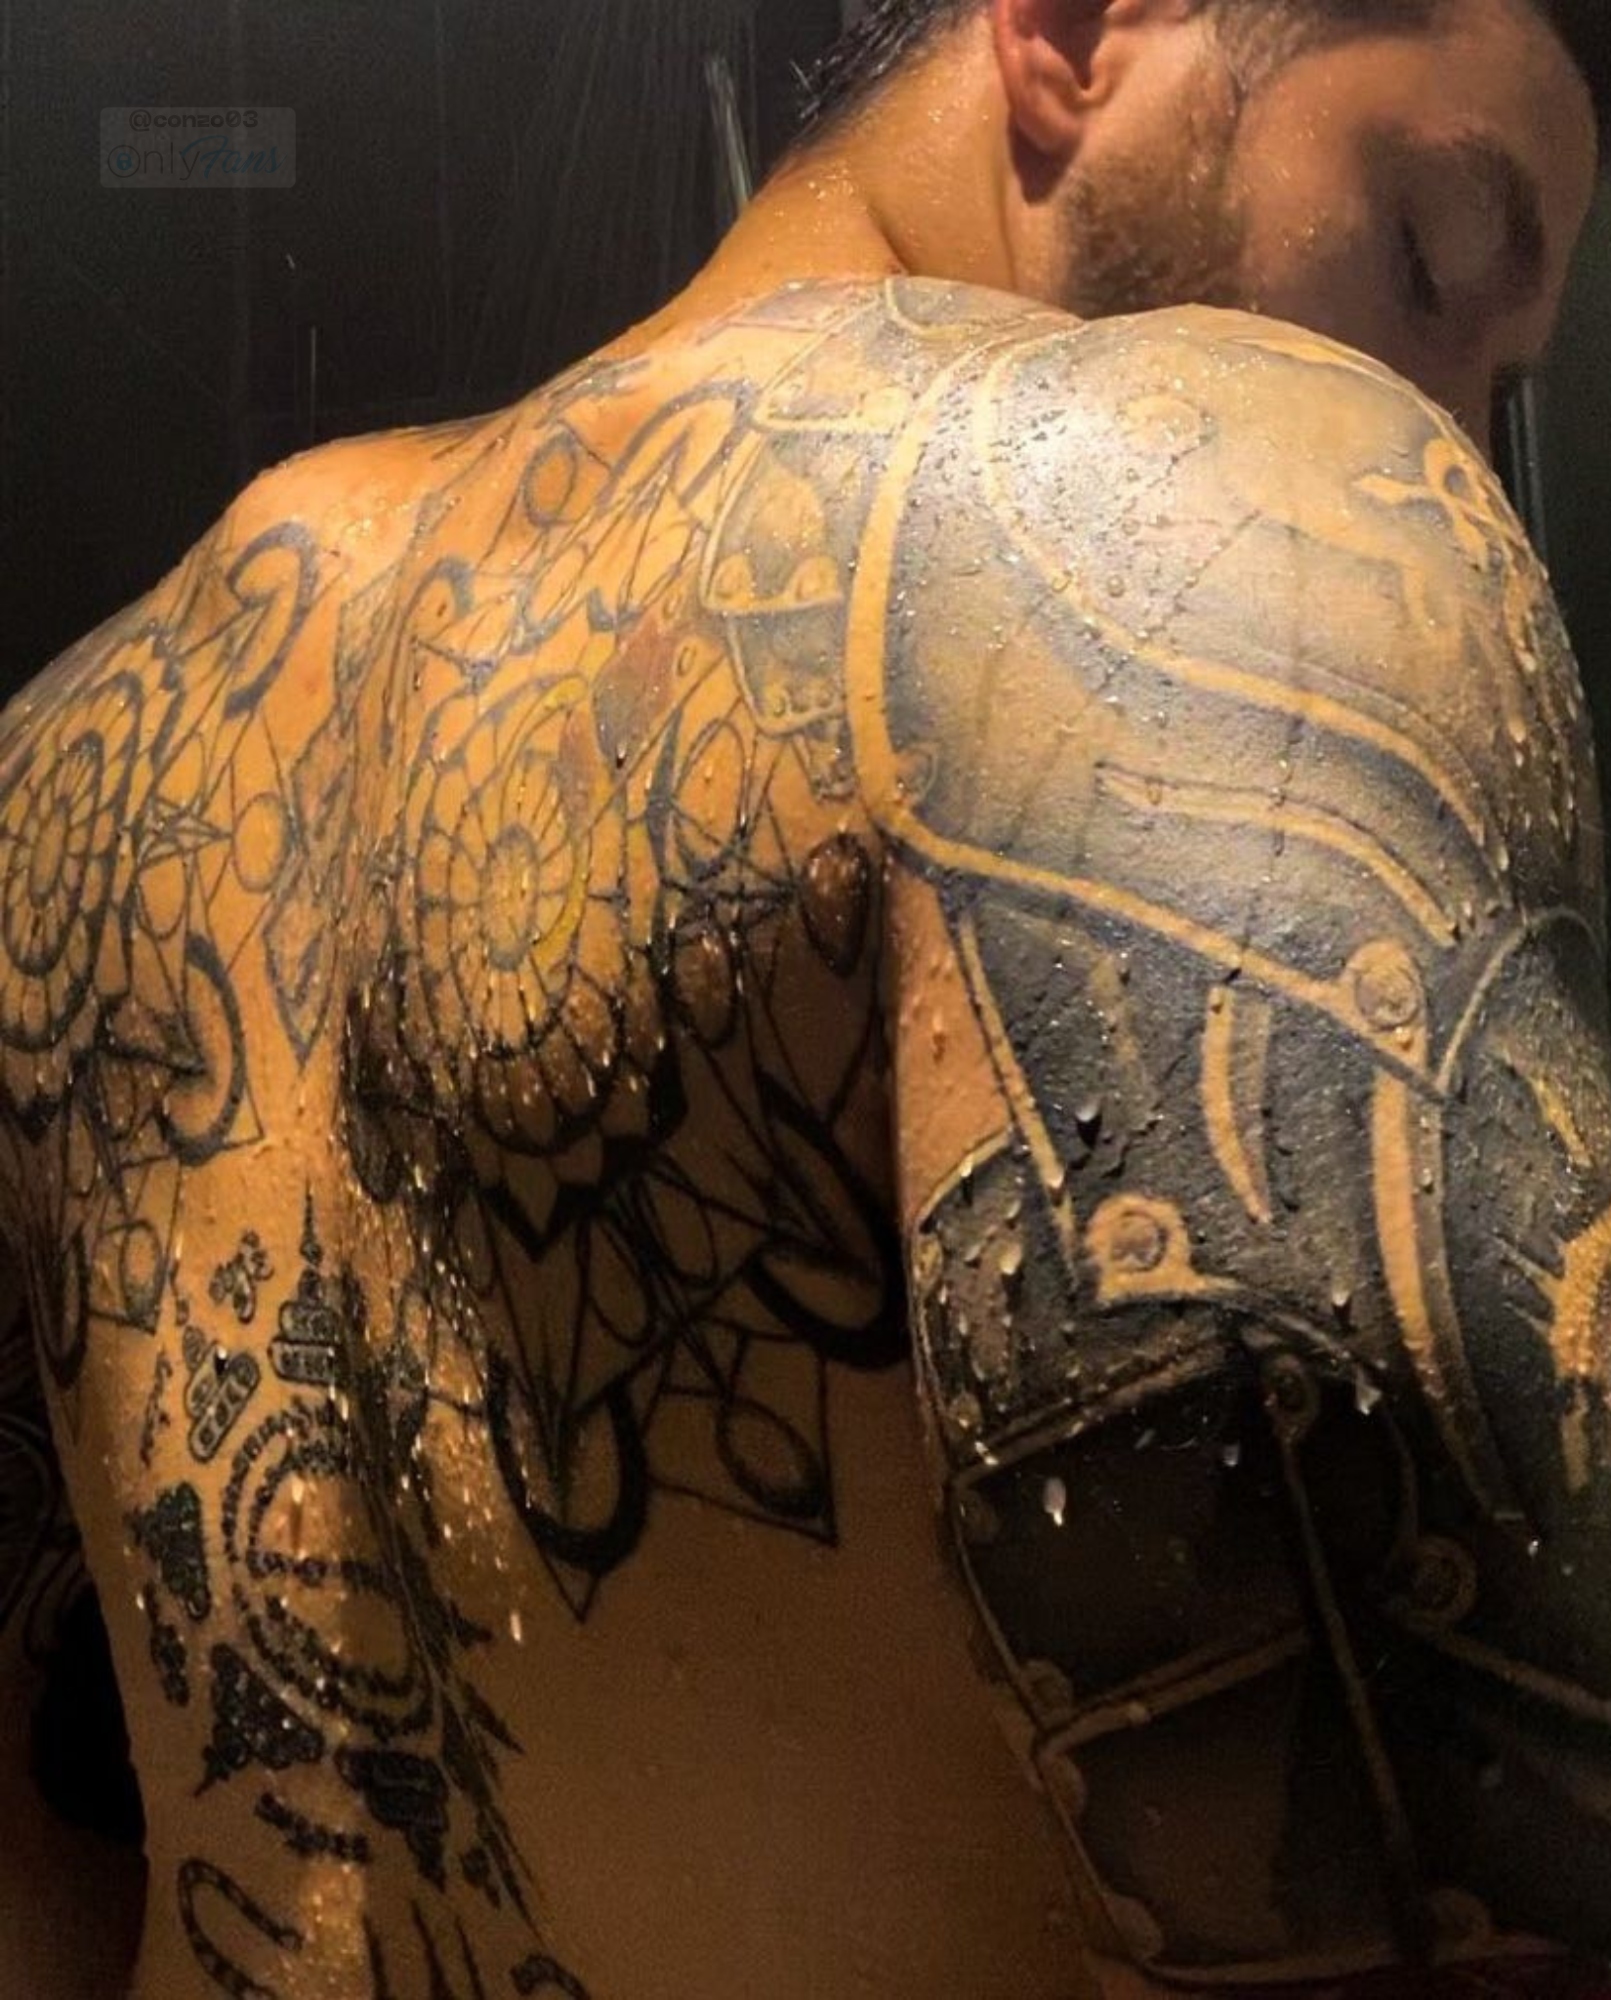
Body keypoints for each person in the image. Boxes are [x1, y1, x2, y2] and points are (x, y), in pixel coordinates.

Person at [1, 1, 1607, 1994]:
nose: (1453, 444)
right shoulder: (1230, 505)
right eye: (1429, 258)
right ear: (1075, 36)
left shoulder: (87, 752)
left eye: (1496, 386)